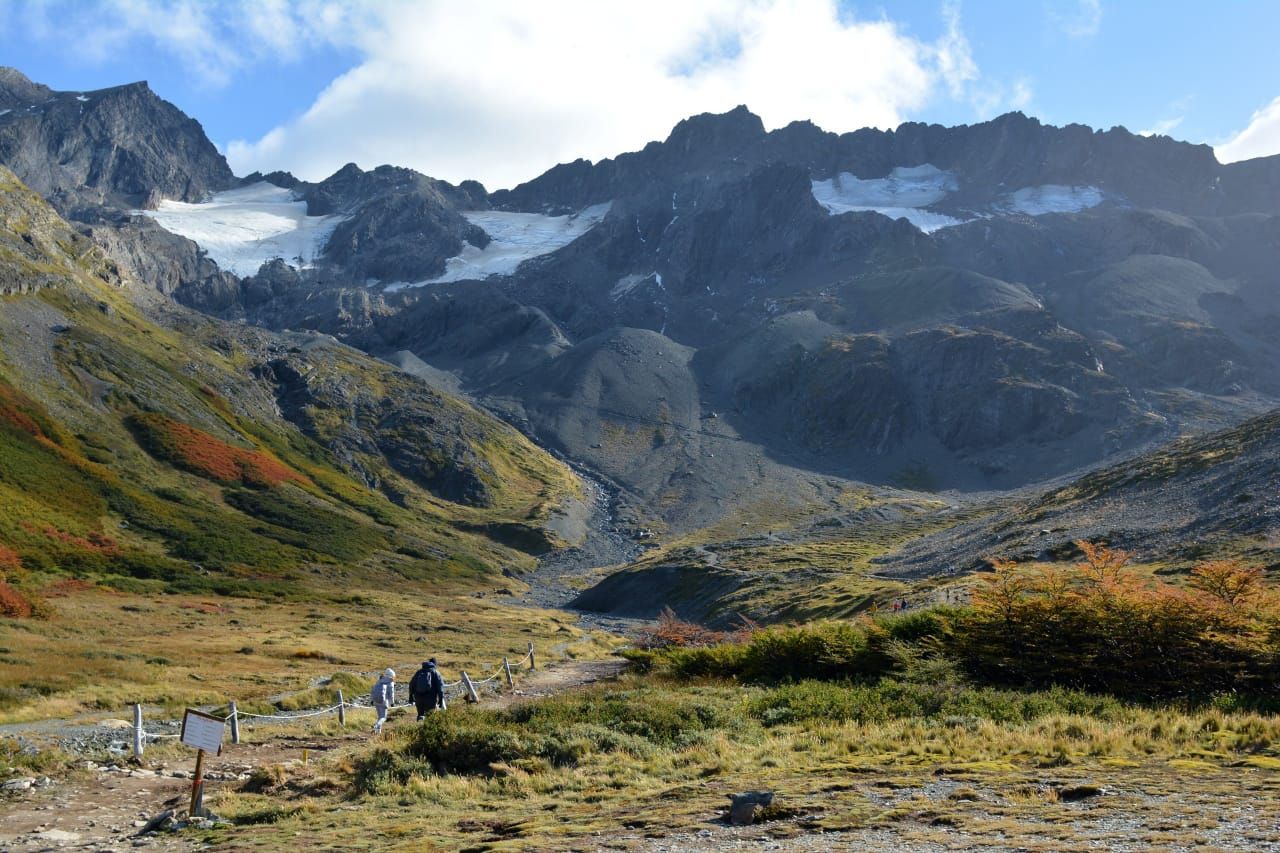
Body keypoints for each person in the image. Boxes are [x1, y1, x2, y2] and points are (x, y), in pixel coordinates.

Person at [371, 667, 395, 734]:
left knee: (379, 717)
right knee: (383, 718)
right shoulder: (390, 682)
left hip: (376, 701)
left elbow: (373, 691)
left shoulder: (379, 680)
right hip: (384, 702)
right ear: (392, 675)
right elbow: (391, 694)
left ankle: (378, 732)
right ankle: (376, 726)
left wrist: (372, 700)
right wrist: (392, 703)